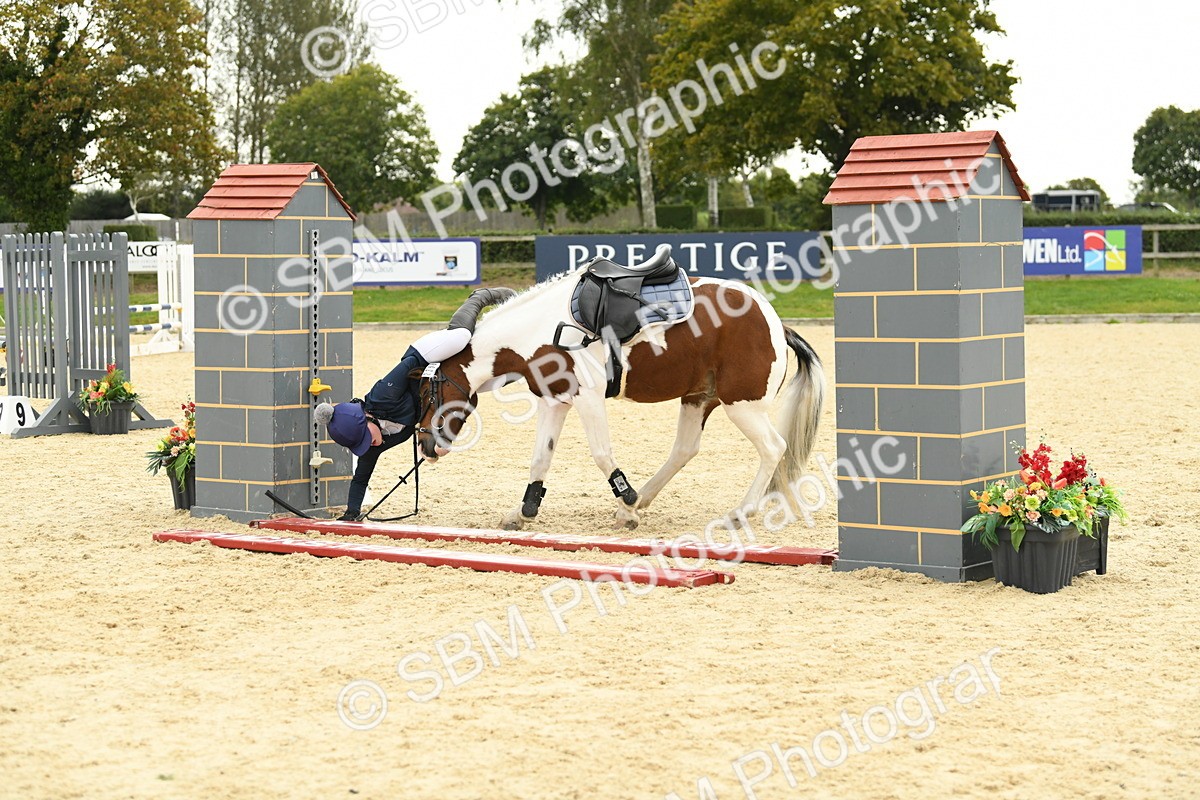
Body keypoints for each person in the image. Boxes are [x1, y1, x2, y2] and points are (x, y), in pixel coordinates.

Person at [316, 287, 515, 521]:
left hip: (425, 356)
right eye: (363, 444)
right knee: (489, 383)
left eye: (366, 437)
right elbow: (361, 477)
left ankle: (480, 297)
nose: (370, 444)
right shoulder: (373, 446)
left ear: (366, 417)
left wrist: (447, 373)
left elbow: (411, 364)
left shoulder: (382, 396)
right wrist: (351, 513)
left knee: (460, 337)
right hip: (431, 387)